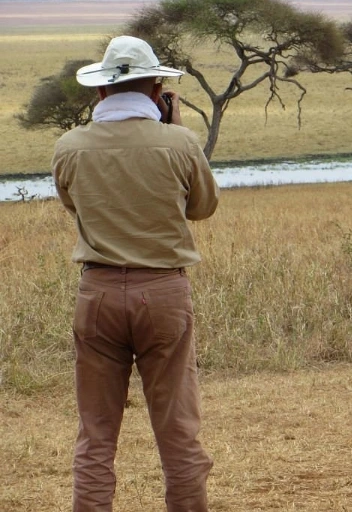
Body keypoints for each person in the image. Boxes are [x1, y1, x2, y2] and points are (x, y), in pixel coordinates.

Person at [51, 35, 219, 512]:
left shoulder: (71, 146)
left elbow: (74, 205)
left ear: (101, 91)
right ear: (158, 90)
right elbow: (202, 208)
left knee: (96, 435)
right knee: (178, 433)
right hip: (164, 293)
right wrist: (177, 130)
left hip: (98, 292)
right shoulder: (180, 142)